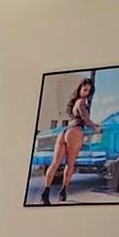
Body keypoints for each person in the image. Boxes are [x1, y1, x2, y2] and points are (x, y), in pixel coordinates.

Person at [39, 76, 99, 205]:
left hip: (65, 132)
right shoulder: (82, 102)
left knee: (55, 163)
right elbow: (86, 120)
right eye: (85, 89)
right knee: (70, 164)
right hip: (75, 132)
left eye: (89, 91)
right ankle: (63, 191)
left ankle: (46, 192)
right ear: (80, 89)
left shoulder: (74, 103)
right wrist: (96, 127)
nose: (86, 93)